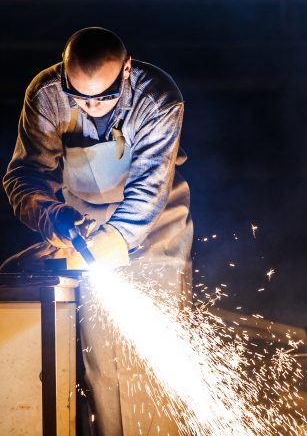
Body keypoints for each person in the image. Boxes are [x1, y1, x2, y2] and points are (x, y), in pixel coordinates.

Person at [0, 27, 193, 435]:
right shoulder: (46, 94)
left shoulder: (158, 98)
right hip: (81, 219)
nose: (91, 107)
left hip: (153, 224)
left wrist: (114, 240)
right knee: (102, 355)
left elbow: (148, 189)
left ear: (126, 69)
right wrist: (51, 217)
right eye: (80, 97)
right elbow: (24, 175)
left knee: (149, 356)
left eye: (104, 97)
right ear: (64, 73)